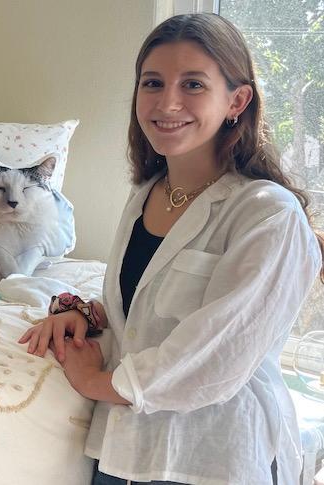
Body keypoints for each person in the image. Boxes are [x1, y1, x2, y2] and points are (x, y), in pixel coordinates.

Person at [19, 13, 324, 485]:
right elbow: (148, 307)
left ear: (237, 101)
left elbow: (218, 350)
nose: (168, 102)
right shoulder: (147, 192)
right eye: (153, 83)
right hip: (122, 450)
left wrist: (96, 382)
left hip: (210, 456)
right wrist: (85, 312)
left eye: (194, 85)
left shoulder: (268, 214)